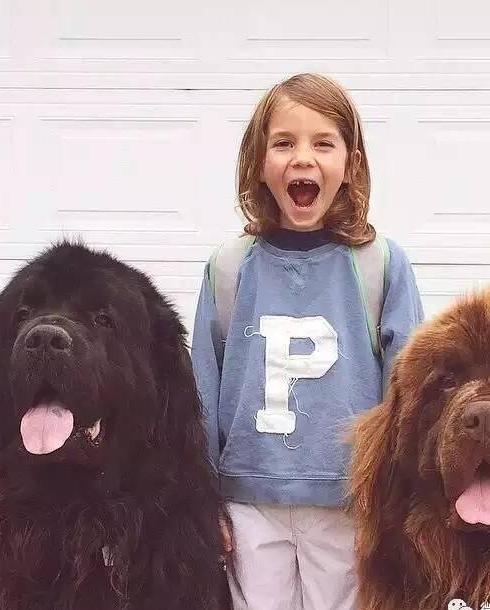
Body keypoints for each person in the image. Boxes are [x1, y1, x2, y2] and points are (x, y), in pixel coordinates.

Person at [191, 72, 424, 610]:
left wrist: (399, 500)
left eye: (323, 143)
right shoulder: (228, 267)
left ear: (352, 163)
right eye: (283, 143)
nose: (302, 158)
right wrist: (202, 499)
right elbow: (201, 391)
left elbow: (410, 392)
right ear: (258, 162)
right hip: (249, 502)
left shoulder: (380, 264)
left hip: (349, 502)